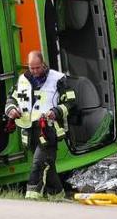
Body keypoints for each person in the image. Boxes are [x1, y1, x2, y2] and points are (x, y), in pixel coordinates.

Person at [5, 50, 76, 199]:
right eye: (31, 68)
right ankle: (57, 196)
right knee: (48, 168)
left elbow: (70, 102)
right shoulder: (22, 79)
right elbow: (11, 98)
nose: (35, 71)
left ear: (43, 64)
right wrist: (11, 109)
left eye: (37, 67)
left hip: (49, 129)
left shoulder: (58, 79)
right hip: (30, 131)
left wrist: (55, 112)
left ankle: (31, 198)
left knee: (38, 163)